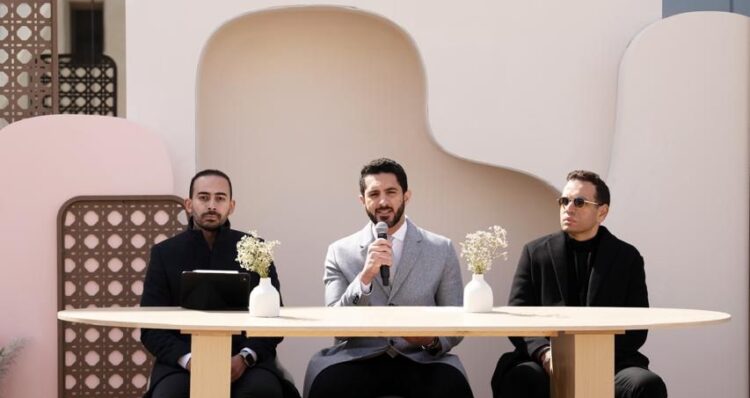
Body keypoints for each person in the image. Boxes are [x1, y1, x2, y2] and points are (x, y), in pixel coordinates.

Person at [304, 158, 474, 398]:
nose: (383, 202)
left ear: (406, 196)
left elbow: (455, 320)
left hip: (421, 359)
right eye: (374, 194)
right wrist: (365, 277)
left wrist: (430, 340)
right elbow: (336, 325)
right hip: (357, 359)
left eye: (391, 192)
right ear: (363, 200)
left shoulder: (441, 248)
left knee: (452, 386)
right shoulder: (339, 251)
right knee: (325, 385)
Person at [491, 170, 667, 398]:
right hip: (544, 360)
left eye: (579, 202)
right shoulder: (535, 253)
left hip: (610, 362)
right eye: (564, 201)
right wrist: (544, 353)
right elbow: (517, 317)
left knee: (646, 385)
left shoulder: (627, 257)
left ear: (602, 212)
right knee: (522, 378)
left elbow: (637, 327)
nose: (569, 208)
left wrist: (592, 357)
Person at [140, 169, 300, 398]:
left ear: (231, 206)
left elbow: (273, 318)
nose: (212, 205)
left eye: (220, 198)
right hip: (181, 363)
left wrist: (245, 357)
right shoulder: (164, 253)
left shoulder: (256, 249)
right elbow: (151, 327)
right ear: (189, 204)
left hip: (248, 361)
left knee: (262, 392)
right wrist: (189, 360)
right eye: (203, 197)